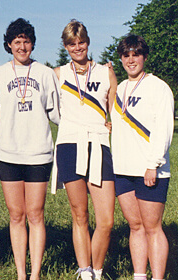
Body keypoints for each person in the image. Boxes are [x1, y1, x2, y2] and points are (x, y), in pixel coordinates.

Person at [0, 18, 60, 280]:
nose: (22, 46)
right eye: (17, 42)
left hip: (38, 152)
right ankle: (21, 273)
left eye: (27, 41)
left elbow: (57, 113)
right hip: (8, 152)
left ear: (33, 44)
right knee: (16, 214)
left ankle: (35, 274)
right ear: (9, 44)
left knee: (35, 214)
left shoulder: (44, 73)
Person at [52, 19, 117, 280]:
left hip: (99, 143)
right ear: (66, 46)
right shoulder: (57, 74)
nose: (77, 48)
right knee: (79, 214)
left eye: (81, 42)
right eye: (71, 44)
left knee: (106, 220)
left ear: (87, 42)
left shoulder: (105, 72)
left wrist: (111, 123)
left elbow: (115, 113)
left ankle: (98, 270)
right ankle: (85, 270)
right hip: (69, 143)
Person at [111, 34, 173, 280]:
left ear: (144, 57)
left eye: (136, 54)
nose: (131, 59)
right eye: (126, 55)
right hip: (123, 169)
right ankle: (139, 275)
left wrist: (152, 164)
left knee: (152, 228)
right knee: (135, 227)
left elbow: (164, 129)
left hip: (150, 169)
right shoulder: (121, 88)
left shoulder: (158, 87)